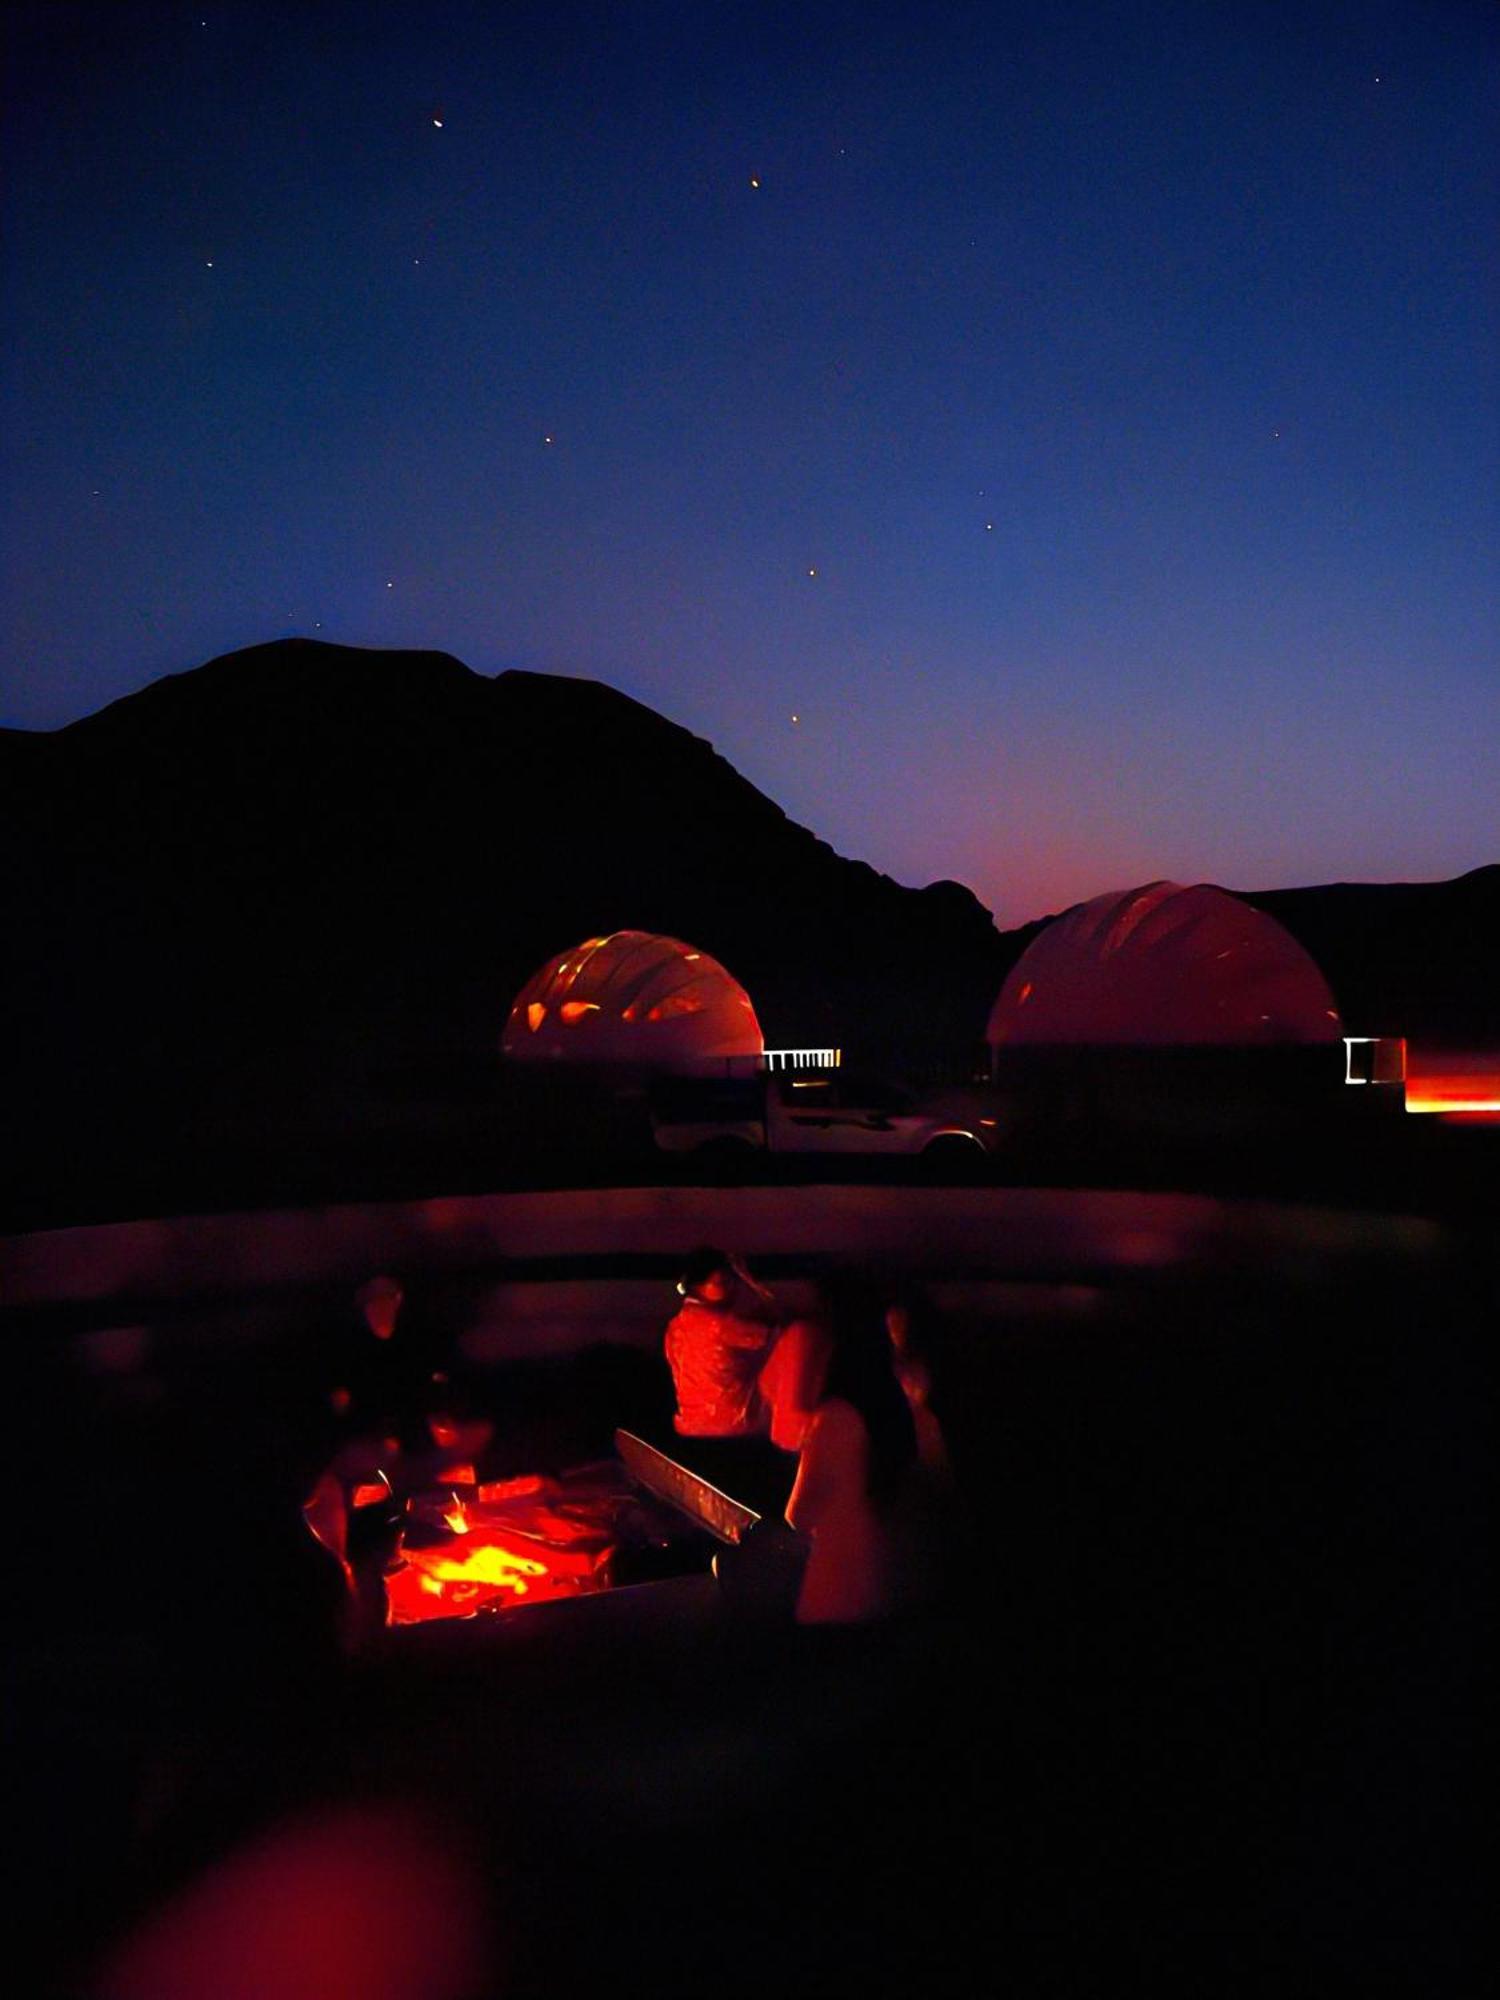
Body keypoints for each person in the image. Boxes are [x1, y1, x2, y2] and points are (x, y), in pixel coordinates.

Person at [784, 1297, 918, 1625]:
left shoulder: (834, 1419)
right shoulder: (907, 1413)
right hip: (898, 1586)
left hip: (840, 1596)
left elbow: (798, 1515)